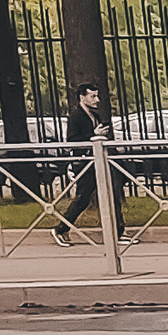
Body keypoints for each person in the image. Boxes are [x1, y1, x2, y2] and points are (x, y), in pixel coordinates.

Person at [52, 83, 118, 245]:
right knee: (83, 198)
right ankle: (60, 229)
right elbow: (73, 139)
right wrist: (93, 135)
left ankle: (118, 231)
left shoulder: (93, 115)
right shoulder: (76, 116)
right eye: (93, 96)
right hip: (85, 163)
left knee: (111, 193)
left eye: (97, 95)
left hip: (96, 161)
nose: (97, 99)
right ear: (82, 97)